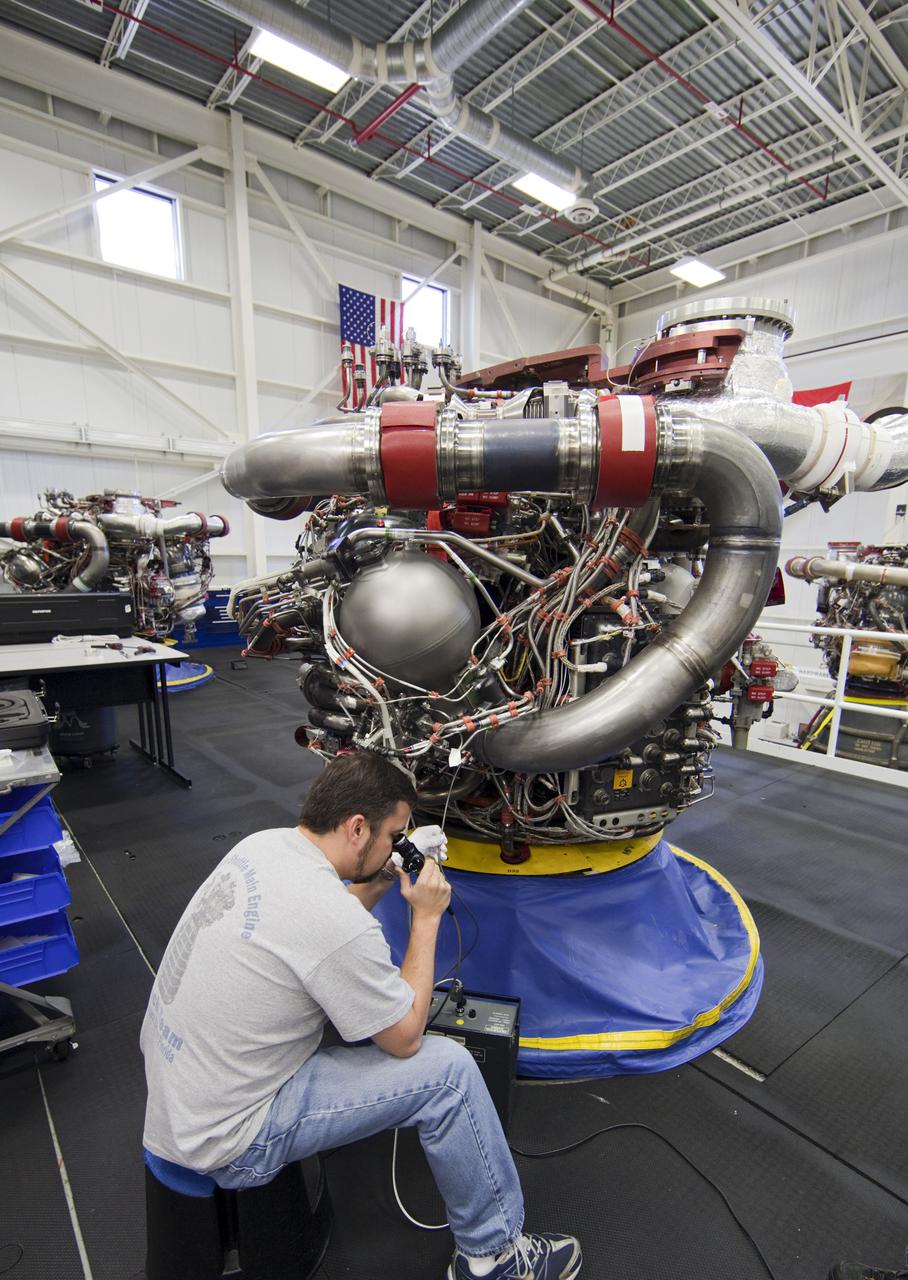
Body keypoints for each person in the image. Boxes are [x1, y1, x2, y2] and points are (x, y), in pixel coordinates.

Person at [140, 751, 582, 1280]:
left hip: (176, 1094)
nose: (399, 842)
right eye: (394, 833)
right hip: (228, 1138)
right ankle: (495, 1258)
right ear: (356, 827)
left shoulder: (263, 846)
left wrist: (385, 870)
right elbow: (404, 1038)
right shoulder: (331, 921)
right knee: (451, 1075)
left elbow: (325, 919)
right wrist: (425, 916)